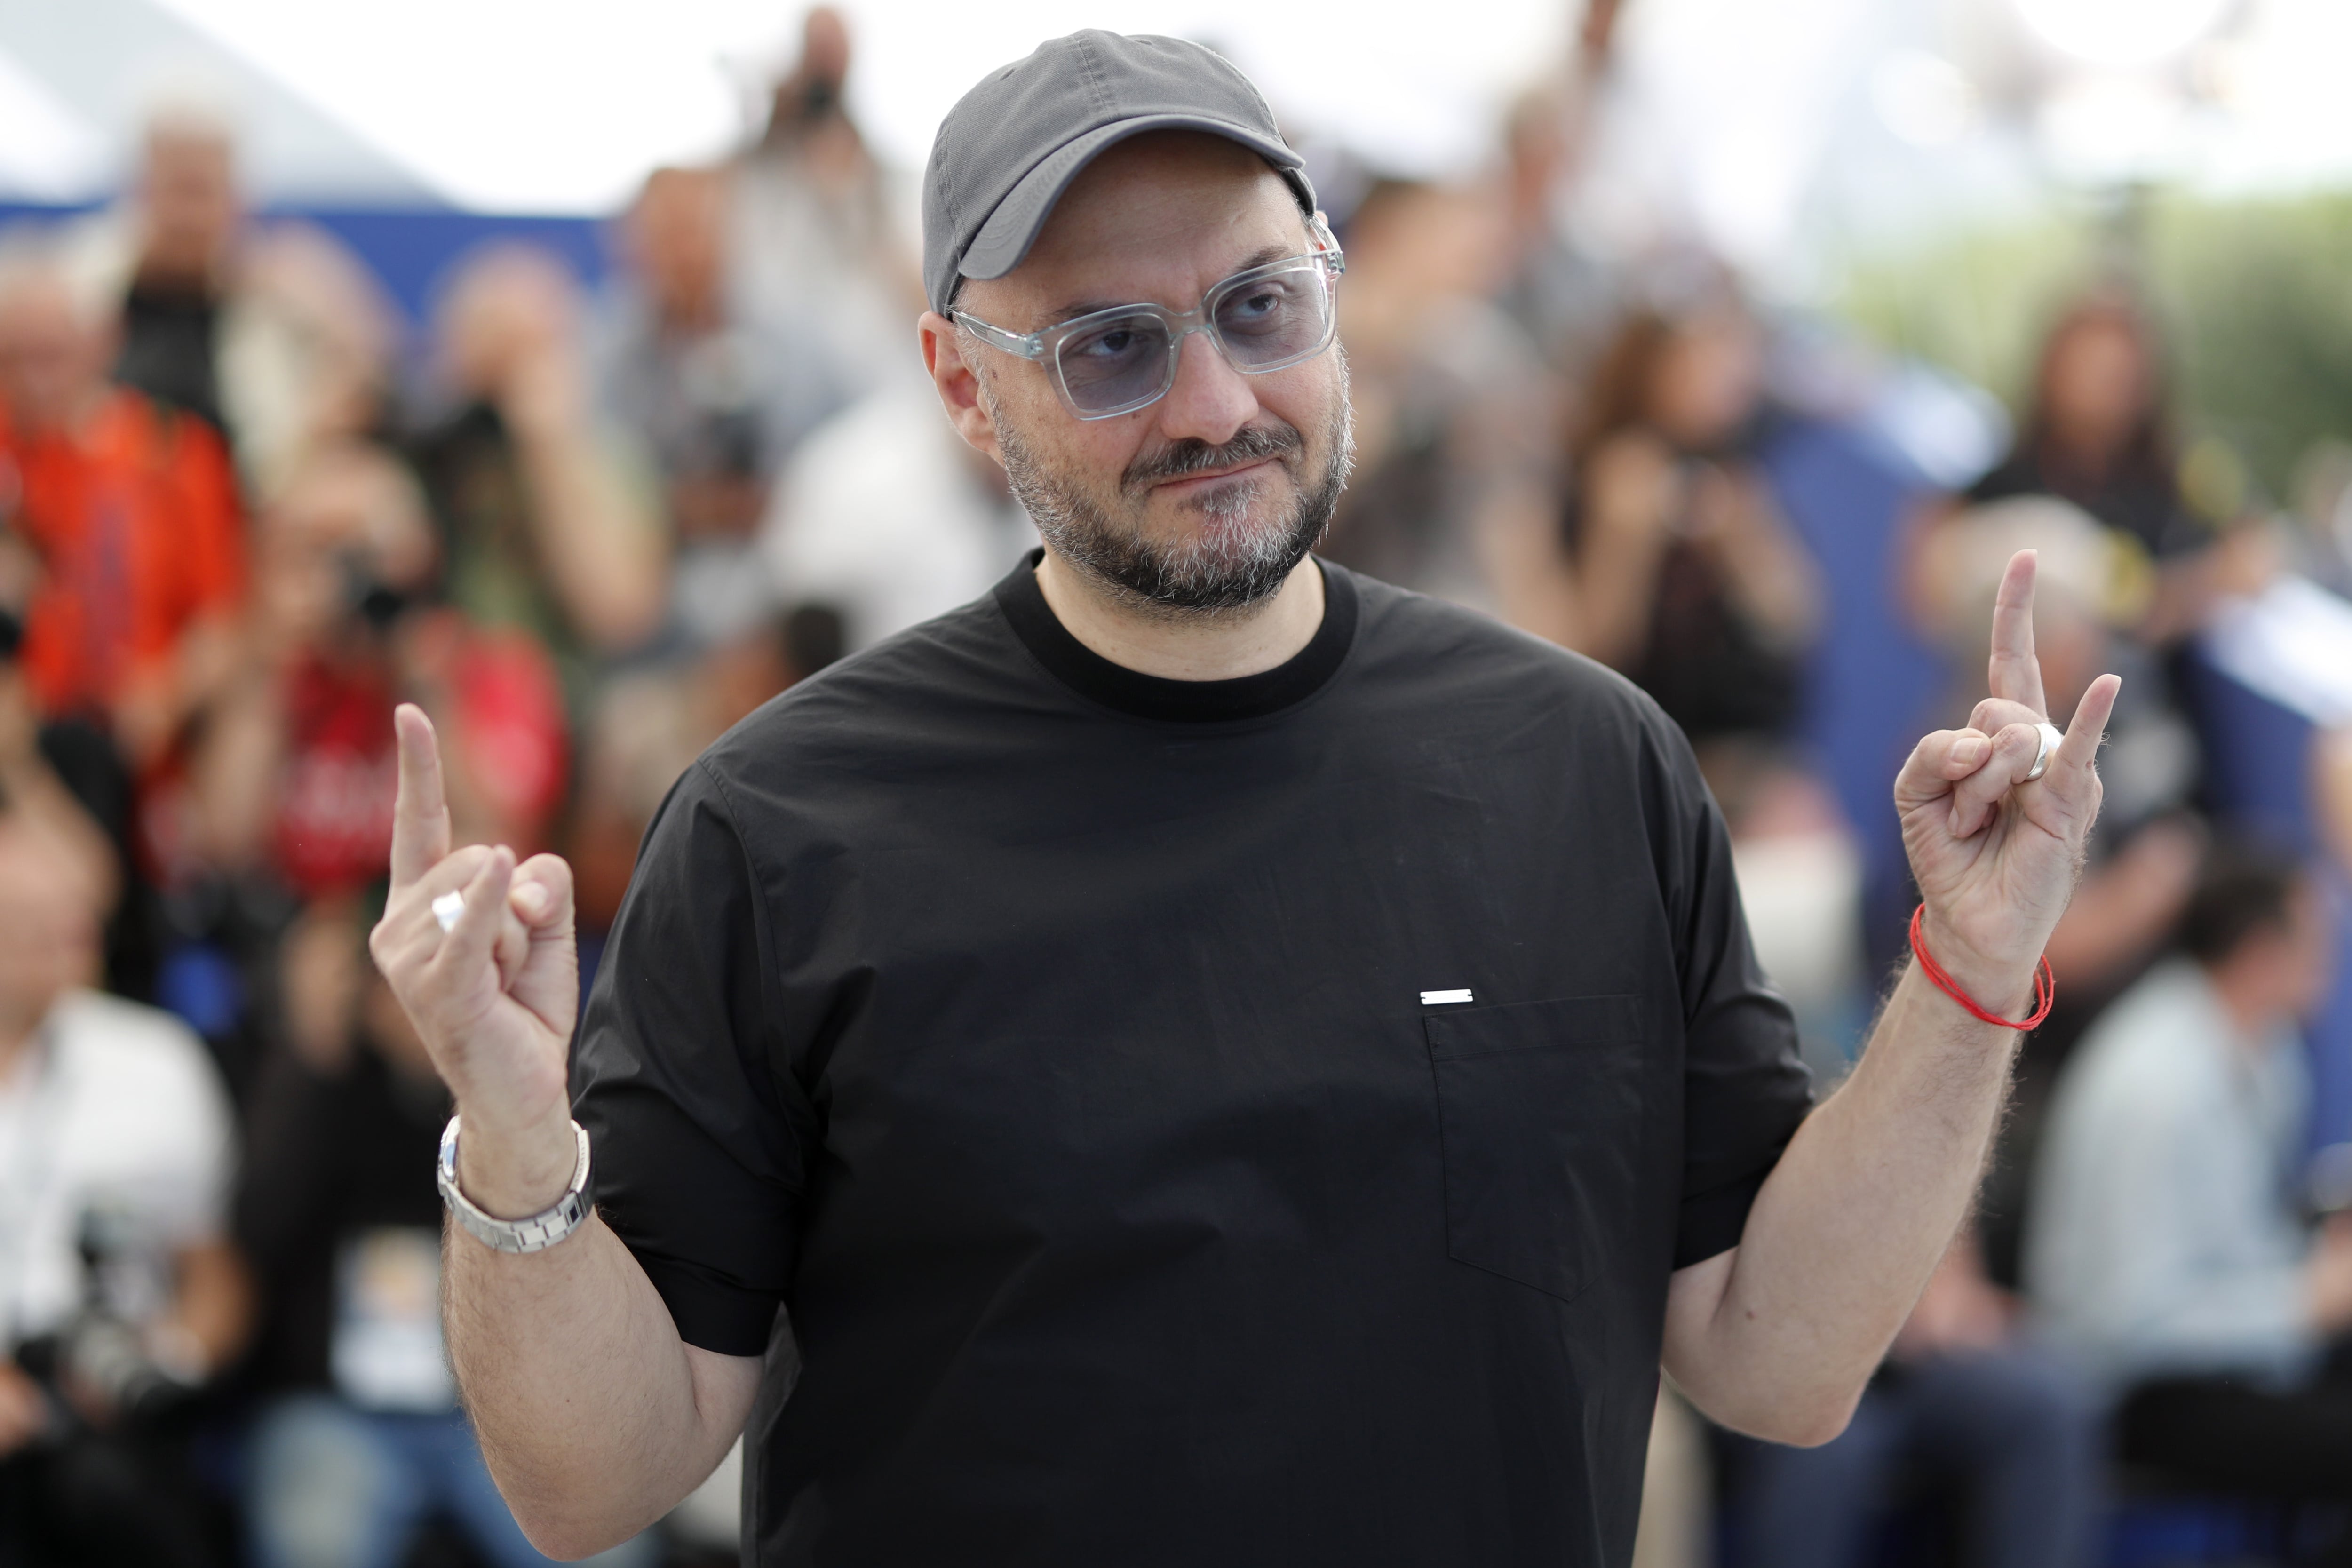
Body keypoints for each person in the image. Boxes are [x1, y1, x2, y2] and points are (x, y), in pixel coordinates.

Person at [369, 33, 2121, 1566]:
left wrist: (1966, 977)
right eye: (1110, 347)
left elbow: (1777, 1356)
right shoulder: (781, 827)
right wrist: (515, 1145)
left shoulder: (1580, 768)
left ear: (1332, 292)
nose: (1213, 403)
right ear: (959, 386)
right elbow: (589, 1483)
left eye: (1257, 310)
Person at [237, 907, 652, 1568]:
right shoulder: (321, 1091)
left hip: (494, 1417)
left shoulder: (525, 1099)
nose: (433, 1009)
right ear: (371, 992)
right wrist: (314, 1058)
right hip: (336, 1409)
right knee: (318, 1541)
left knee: (606, 1551)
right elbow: (256, 1236)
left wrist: (498, 1090)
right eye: (415, 985)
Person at [2026, 842, 2352, 1526]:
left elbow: (2241, 1239)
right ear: (2263, 950)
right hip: (2136, 1387)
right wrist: (2305, 1301)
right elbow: (2124, 1322)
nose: (2331, 953)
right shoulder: (2159, 1084)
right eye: (2318, 934)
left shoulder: (2264, 1048)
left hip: (2227, 1353)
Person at [0, 815, 249, 1567]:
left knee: (119, 1499)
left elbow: (213, 1269)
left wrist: (169, 1359)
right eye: (35, 925)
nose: (71, 939)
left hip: (110, 1404)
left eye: (75, 919)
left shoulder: (157, 1062)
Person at [0, 242, 245, 772]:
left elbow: (222, 623)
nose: (33, 377)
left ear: (102, 344)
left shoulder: (173, 450)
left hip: (134, 754)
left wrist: (166, 695)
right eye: (14, 358)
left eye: (53, 354)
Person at [591, 165, 854, 651]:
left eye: (695, 231)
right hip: (658, 590)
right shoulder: (607, 355)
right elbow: (605, 491)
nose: (683, 254)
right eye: (664, 237)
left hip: (789, 574)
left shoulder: (796, 339)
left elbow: (841, 456)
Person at [1732, 1226, 2099, 1568]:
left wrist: (1959, 1293)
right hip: (1793, 1356)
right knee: (1820, 1444)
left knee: (2044, 1401)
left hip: (1917, 1357)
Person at [408, 243, 666, 709]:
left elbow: (619, 615)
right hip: (435, 689)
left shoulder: (609, 458)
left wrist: (546, 446)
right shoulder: (423, 451)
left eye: (528, 351)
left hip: (560, 705)